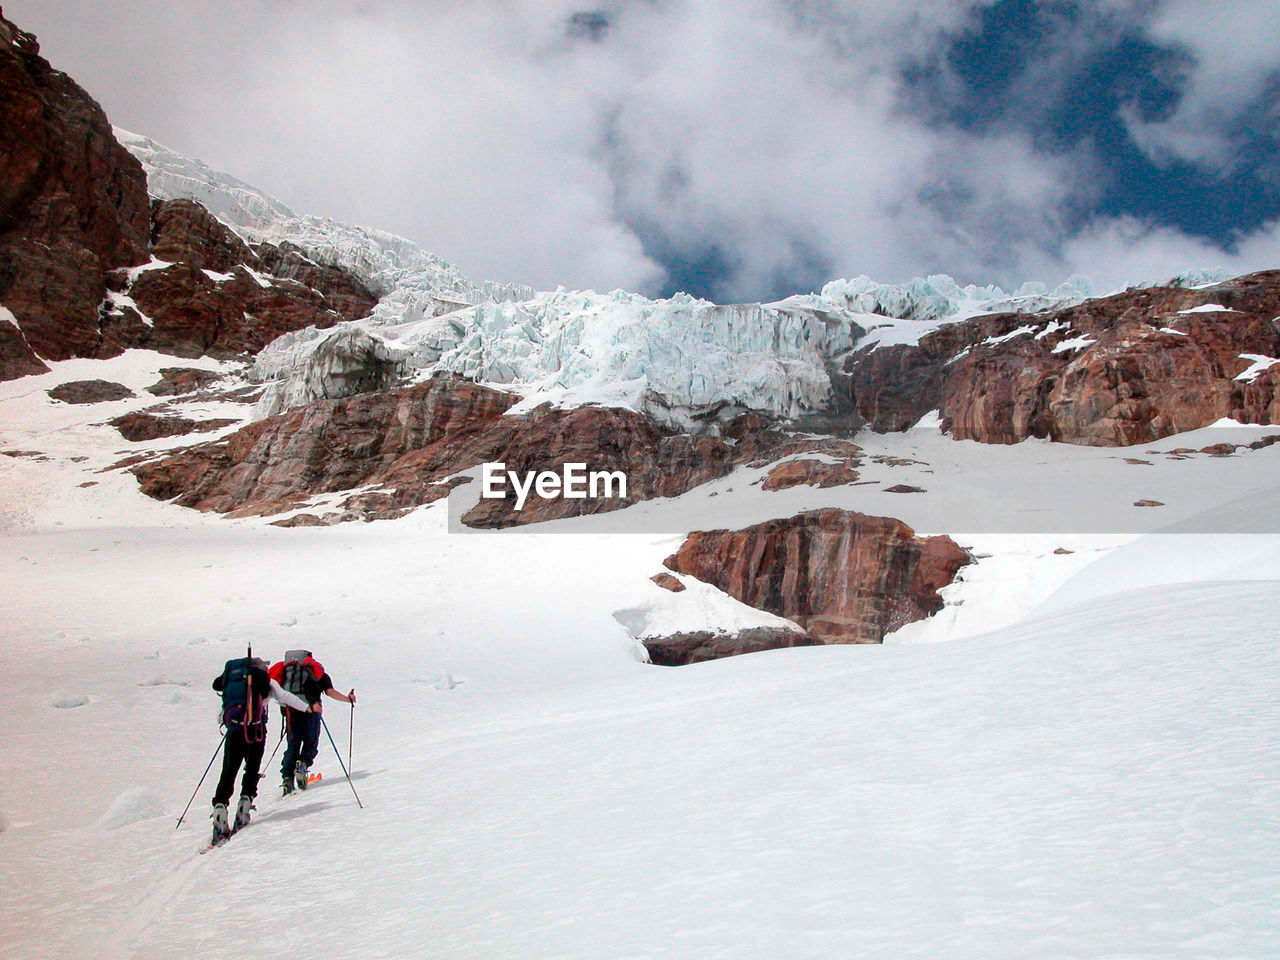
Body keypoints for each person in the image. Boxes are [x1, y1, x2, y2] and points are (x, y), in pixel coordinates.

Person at [210, 655, 316, 844]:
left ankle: (220, 810)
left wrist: (230, 722)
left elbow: (222, 707)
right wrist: (307, 708)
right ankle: (244, 807)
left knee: (228, 771)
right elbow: (284, 696)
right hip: (257, 731)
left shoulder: (234, 683)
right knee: (251, 770)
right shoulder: (266, 681)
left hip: (234, 730)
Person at [269, 649, 356, 795]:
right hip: (312, 710)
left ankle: (287, 779)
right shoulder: (316, 671)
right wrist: (348, 700)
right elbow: (330, 692)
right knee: (311, 742)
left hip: (290, 711)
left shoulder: (285, 672)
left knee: (293, 744)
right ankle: (302, 764)